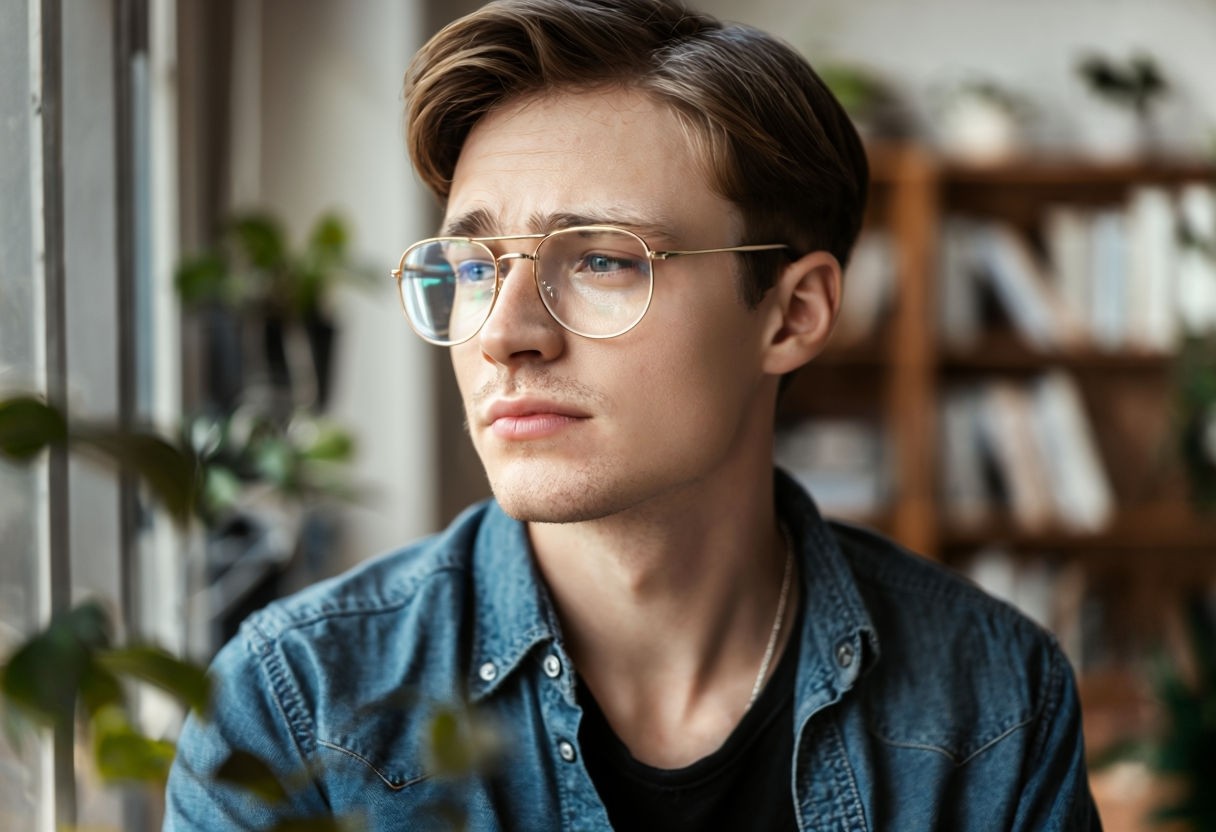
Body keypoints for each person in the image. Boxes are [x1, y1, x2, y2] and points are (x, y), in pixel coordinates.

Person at [165, 0, 1102, 829]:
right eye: (477, 269)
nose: (504, 336)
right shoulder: (295, 707)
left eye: (603, 259)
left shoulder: (993, 702)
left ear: (794, 312)